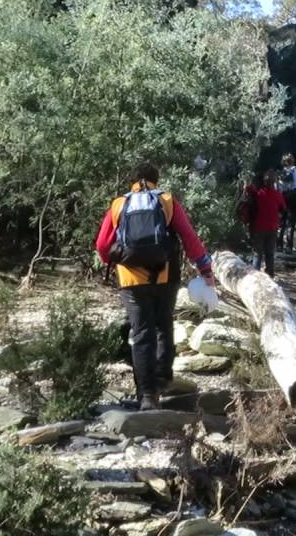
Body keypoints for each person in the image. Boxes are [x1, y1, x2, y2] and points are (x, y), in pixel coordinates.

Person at [95, 163, 215, 410]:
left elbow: (101, 245)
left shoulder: (118, 204)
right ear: (155, 180)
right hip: (165, 276)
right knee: (163, 326)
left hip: (131, 280)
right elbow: (189, 237)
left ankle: (147, 396)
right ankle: (163, 380)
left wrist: (119, 261)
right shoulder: (167, 200)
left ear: (132, 181)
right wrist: (205, 270)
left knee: (141, 334)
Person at [248, 168, 287, 277]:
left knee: (257, 254)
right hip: (272, 227)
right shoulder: (278, 195)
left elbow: (252, 204)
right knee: (269, 254)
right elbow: (283, 209)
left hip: (259, 227)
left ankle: (255, 276)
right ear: (274, 182)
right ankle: (270, 275)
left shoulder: (258, 194)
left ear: (264, 182)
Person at [277, 154, 296, 252]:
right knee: (291, 223)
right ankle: (289, 246)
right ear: (292, 161)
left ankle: (279, 245)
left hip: (283, 197)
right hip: (293, 197)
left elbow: (278, 186)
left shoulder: (281, 173)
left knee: (281, 222)